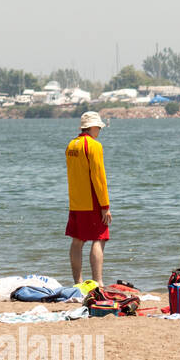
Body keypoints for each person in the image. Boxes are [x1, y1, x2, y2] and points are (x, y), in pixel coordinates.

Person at [65, 111, 111, 286]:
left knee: (77, 241)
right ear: (92, 127)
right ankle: (98, 282)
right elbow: (99, 177)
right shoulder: (94, 145)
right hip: (92, 201)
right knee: (99, 238)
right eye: (98, 127)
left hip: (75, 201)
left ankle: (78, 282)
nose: (99, 130)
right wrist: (105, 205)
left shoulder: (71, 145)